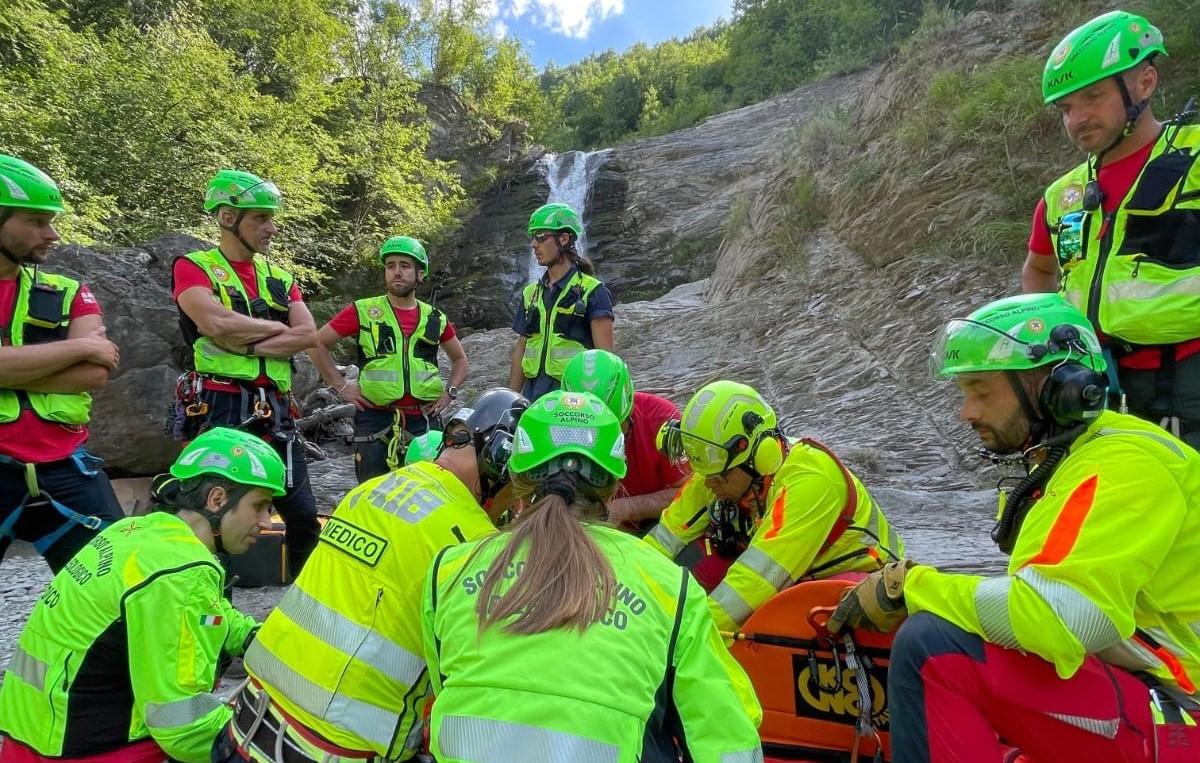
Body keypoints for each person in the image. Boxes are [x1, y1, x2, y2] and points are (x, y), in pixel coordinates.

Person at [829, 293, 1200, 763]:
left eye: (982, 392)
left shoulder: (1125, 467)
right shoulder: (1076, 457)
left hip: (1181, 713)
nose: (967, 411)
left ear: (1058, 386)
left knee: (933, 648)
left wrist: (912, 586)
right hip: (1152, 690)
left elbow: (1063, 617)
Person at [422, 389, 763, 762]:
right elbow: (726, 736)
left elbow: (449, 685)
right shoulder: (669, 587)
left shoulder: (449, 571)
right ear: (614, 485)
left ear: (516, 476)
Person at [220, 389, 528, 763]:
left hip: (246, 722)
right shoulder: (472, 543)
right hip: (331, 749)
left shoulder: (372, 489)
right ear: (500, 460)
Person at [0, 427, 283, 763]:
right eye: (260, 506)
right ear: (217, 499)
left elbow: (204, 610)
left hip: (32, 735)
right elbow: (183, 727)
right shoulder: (182, 572)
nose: (268, 521)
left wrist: (250, 636)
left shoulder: (136, 532)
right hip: (91, 750)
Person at [1021, 11, 1200, 448]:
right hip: (1099, 388)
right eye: (1066, 108)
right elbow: (1039, 271)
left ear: (1145, 83)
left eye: (1092, 98)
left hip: (1190, 380)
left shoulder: (1194, 162)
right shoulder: (1062, 195)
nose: (1076, 119)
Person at [646, 380, 904, 634]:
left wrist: (678, 638)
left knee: (752, 617)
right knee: (693, 561)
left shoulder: (811, 481)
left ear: (760, 456)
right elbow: (659, 543)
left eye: (718, 476)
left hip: (861, 584)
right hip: (787, 574)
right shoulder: (720, 466)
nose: (709, 484)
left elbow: (752, 584)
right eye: (704, 474)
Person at [172, 169, 319, 575]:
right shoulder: (193, 266)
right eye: (260, 218)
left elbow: (307, 334)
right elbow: (214, 323)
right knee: (212, 513)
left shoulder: (280, 278)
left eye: (271, 218)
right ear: (227, 217)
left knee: (303, 514)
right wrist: (276, 330)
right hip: (220, 404)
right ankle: (211, 596)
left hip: (276, 406)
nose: (270, 228)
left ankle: (302, 598)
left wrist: (245, 341)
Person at [0, 155, 123, 571]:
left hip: (68, 467)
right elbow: (87, 356)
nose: (51, 234)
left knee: (114, 592)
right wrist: (76, 349)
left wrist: (12, 368)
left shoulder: (68, 289)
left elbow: (95, 373)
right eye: (36, 221)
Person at [309, 235, 468, 482]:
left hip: (423, 419)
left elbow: (460, 360)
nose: (396, 272)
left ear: (420, 274)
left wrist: (451, 392)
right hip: (374, 418)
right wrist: (340, 386)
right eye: (390, 265)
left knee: (428, 493)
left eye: (405, 266)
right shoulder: (363, 310)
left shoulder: (435, 318)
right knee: (373, 494)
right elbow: (316, 344)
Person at [561, 349, 688, 531]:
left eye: (611, 430)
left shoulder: (661, 419)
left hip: (657, 524)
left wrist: (626, 508)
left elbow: (691, 494)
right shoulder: (560, 428)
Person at [507, 202, 614, 403]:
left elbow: (606, 359)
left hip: (573, 401)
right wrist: (510, 400)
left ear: (564, 239)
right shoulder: (530, 294)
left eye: (541, 236)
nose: (533, 244)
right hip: (532, 398)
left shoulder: (593, 291)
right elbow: (521, 348)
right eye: (532, 237)